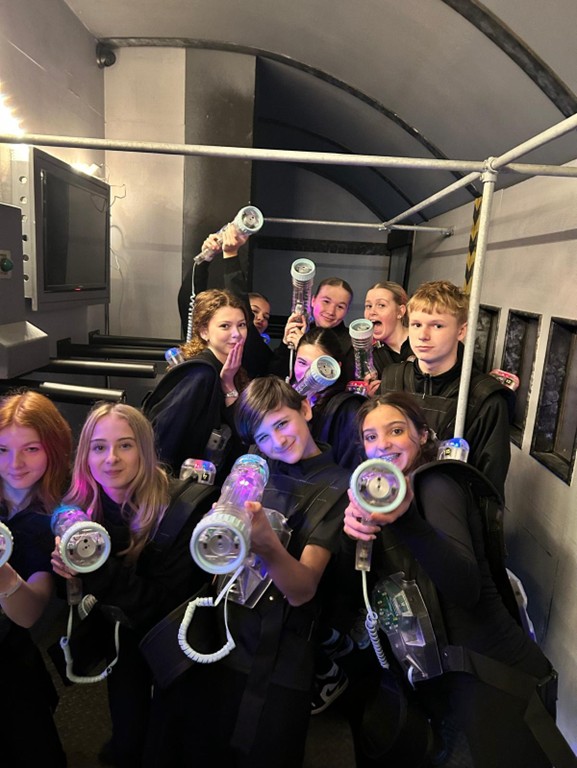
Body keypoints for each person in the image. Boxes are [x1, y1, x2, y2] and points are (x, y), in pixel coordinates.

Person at [342, 392, 565, 768]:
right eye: (370, 437)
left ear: (423, 436)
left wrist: (406, 522)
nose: (382, 444)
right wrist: (356, 536)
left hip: (497, 677)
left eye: (396, 430)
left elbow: (465, 587)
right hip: (462, 683)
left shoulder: (435, 483)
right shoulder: (388, 500)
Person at [143, 376, 350, 768]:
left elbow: (303, 588)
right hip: (224, 629)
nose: (277, 440)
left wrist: (266, 542)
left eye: (282, 423)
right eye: (263, 435)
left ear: (305, 410)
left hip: (282, 649)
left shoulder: (339, 487)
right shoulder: (253, 470)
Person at [51, 403, 216, 768]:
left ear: (145, 449)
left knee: (169, 742)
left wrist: (92, 565)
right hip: (120, 640)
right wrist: (67, 575)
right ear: (85, 454)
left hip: (175, 642)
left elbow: (158, 607)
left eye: (125, 445)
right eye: (99, 447)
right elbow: (75, 603)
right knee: (127, 729)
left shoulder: (181, 509)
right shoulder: (81, 508)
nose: (111, 459)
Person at [379, 279, 512, 498]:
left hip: (448, 515)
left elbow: (488, 487)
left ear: (461, 331)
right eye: (416, 324)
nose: (423, 335)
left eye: (437, 325)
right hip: (389, 502)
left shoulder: (484, 398)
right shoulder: (392, 379)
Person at [0, 390, 73, 768]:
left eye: (31, 449)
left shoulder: (54, 519)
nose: (15, 464)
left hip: (12, 663)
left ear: (53, 449)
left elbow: (29, 613)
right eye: (3, 451)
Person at [144, 288, 249, 480]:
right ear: (204, 331)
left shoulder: (231, 368)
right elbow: (165, 438)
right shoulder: (201, 374)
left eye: (241, 325)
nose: (237, 334)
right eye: (225, 326)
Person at [178, 223, 273, 378]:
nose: (260, 318)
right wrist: (205, 257)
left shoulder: (260, 354)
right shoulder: (200, 365)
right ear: (204, 330)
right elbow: (188, 300)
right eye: (254, 312)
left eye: (266, 317)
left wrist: (231, 255)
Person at [292, 326, 365, 471]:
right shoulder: (285, 400)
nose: (309, 373)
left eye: (319, 366)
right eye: (302, 363)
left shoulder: (348, 408)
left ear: (336, 367)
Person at [271, 276, 355, 381]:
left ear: (347, 310)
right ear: (313, 300)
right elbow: (275, 376)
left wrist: (303, 348)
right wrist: (285, 343)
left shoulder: (352, 343)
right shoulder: (300, 329)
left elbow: (345, 382)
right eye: (326, 301)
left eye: (340, 307)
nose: (331, 311)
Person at [363, 281, 412, 376]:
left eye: (381, 305)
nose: (372, 312)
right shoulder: (372, 356)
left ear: (400, 311)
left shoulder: (421, 342)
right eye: (368, 306)